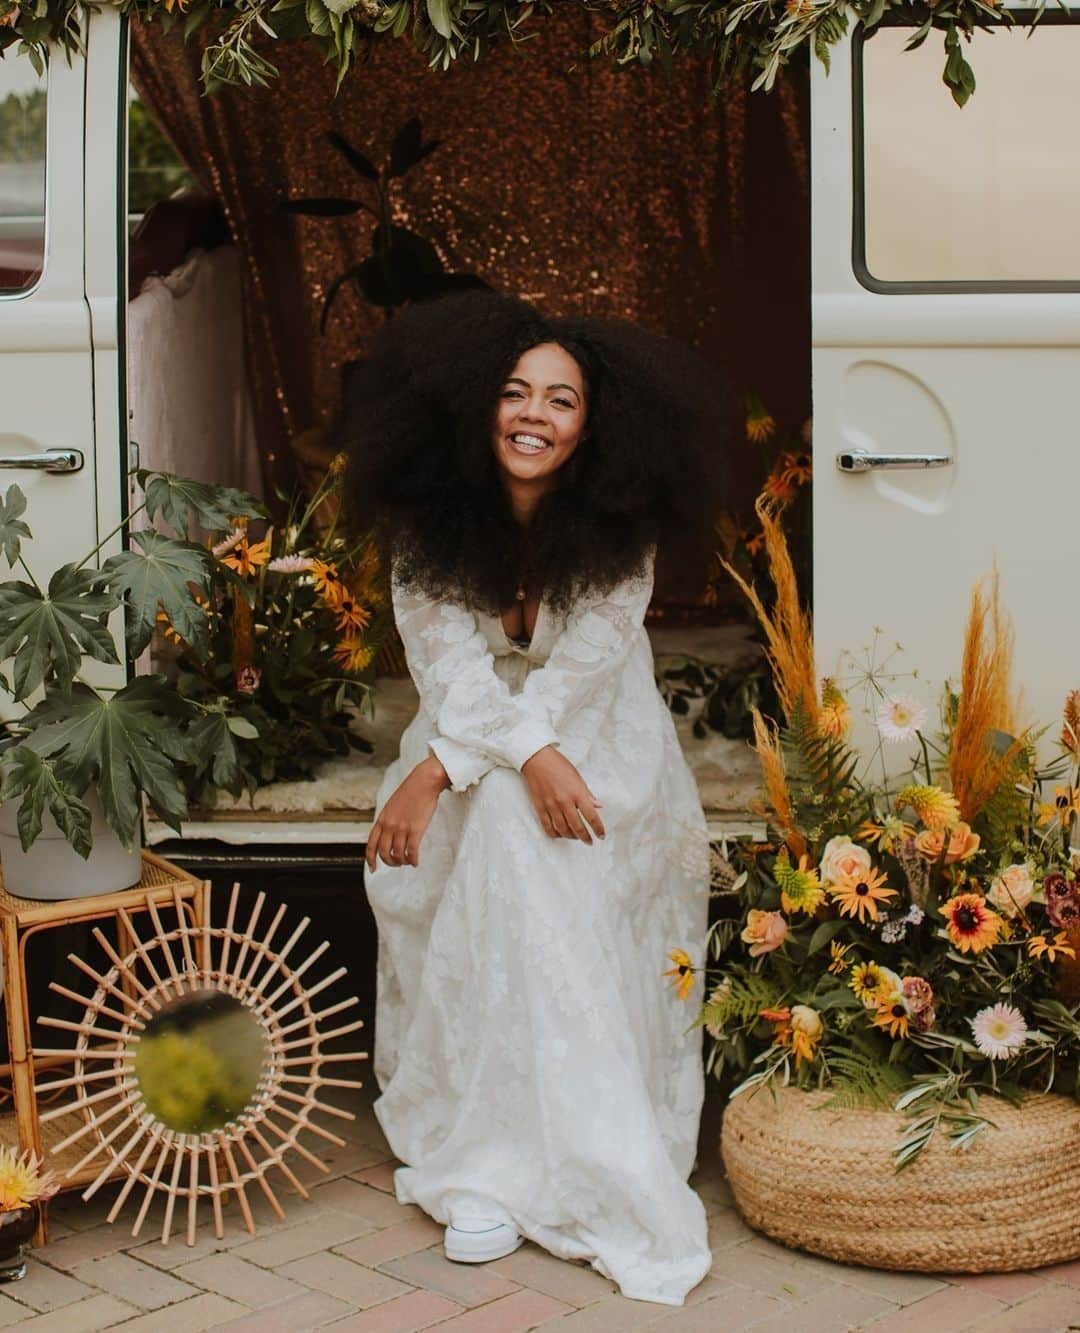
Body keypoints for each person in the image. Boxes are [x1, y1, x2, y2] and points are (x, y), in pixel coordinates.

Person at [342, 292, 728, 1306]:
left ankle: (543, 1153)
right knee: (486, 823)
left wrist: (460, 770)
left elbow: (576, 680)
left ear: (593, 425)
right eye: (514, 393)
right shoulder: (431, 527)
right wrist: (446, 768)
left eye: (561, 400)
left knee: (523, 823)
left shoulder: (618, 528)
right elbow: (451, 670)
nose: (533, 414)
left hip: (603, 741)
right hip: (474, 735)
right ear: (477, 408)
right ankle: (488, 1145)